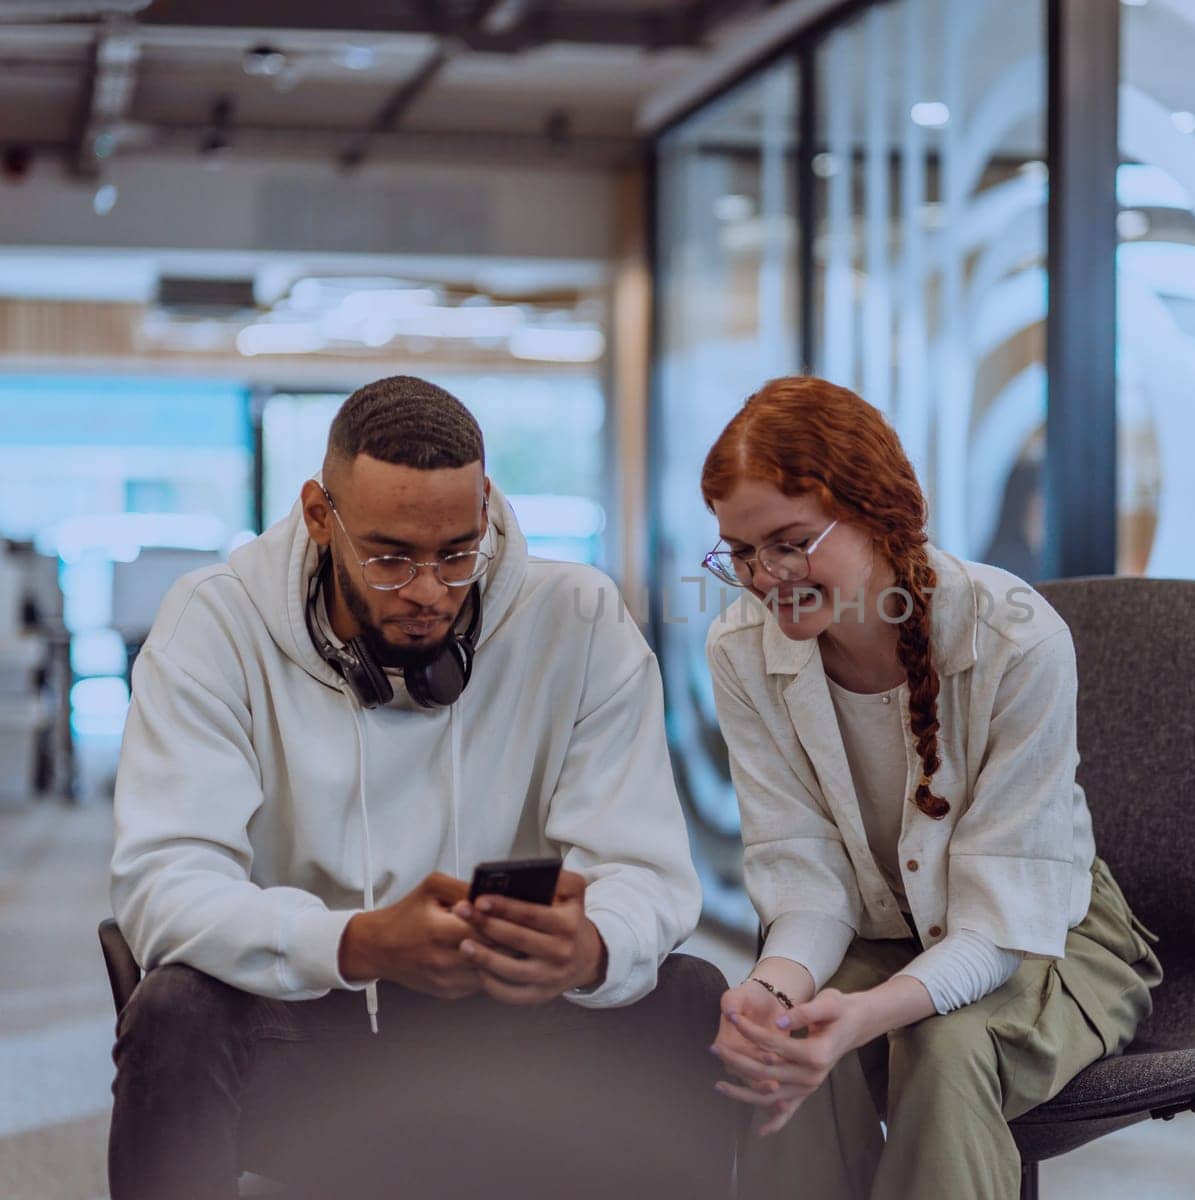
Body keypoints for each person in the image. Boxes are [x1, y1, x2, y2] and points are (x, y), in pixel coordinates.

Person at [108, 376, 731, 1199]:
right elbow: (164, 885)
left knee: (690, 996)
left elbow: (646, 872)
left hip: (511, 1026)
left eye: (457, 554)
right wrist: (356, 942)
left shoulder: (578, 622)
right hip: (313, 1018)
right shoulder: (214, 625)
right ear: (318, 515)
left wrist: (592, 948)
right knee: (173, 1010)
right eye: (391, 558)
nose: (431, 591)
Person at [697, 377, 1162, 1199]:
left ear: (875, 514)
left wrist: (872, 1014)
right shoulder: (740, 651)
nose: (765, 577)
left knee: (942, 1046)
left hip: (1039, 934)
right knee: (783, 1042)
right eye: (739, 552)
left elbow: (1000, 918)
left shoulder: (1015, 636)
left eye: (790, 542)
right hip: (876, 933)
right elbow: (808, 883)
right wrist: (771, 993)